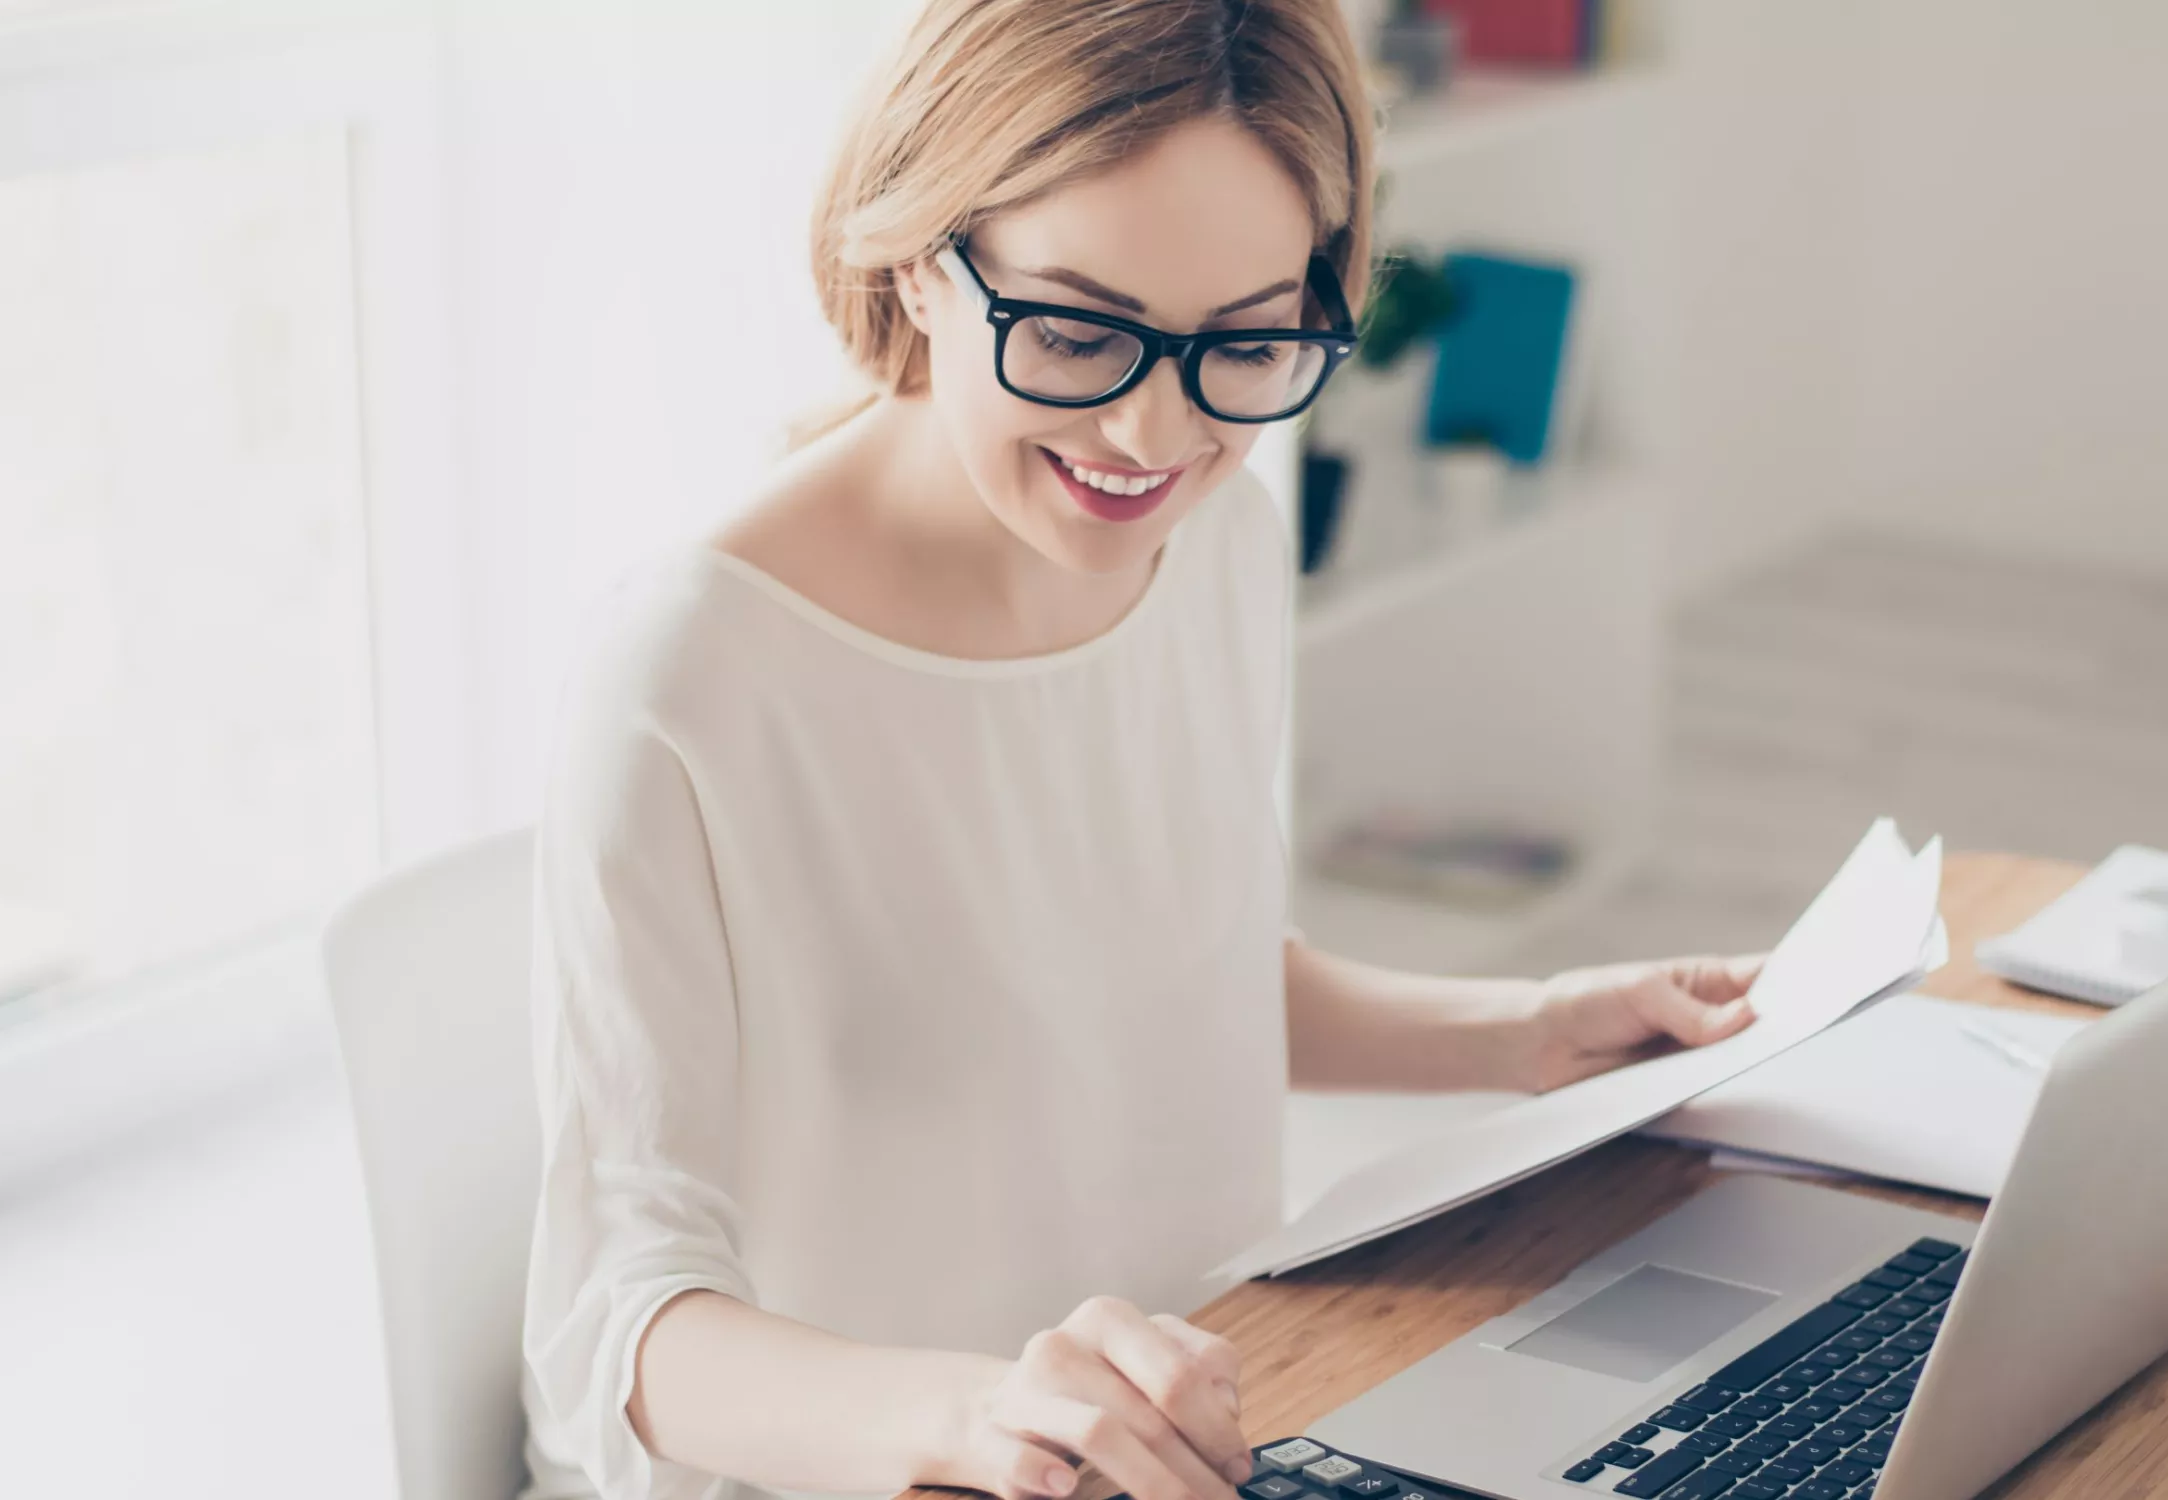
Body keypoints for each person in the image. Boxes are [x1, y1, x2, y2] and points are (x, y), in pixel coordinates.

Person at [519, 4, 1763, 1499]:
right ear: (920, 258)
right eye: (1074, 330)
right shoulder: (693, 670)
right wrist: (974, 1417)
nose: (1152, 429)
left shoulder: (1215, 534)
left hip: (1215, 1434)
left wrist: (1528, 1032)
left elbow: (1177, 975)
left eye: (1245, 340)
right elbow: (619, 1325)